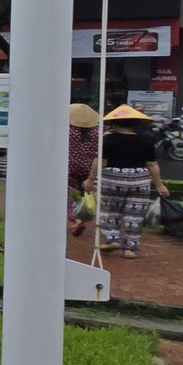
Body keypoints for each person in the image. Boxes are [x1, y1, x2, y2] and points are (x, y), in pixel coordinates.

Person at [94, 103, 168, 259]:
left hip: (113, 179)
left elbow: (101, 162)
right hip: (139, 180)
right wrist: (160, 185)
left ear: (114, 122)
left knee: (110, 210)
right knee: (135, 215)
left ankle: (112, 238)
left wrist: (90, 179)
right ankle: (130, 249)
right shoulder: (146, 140)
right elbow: (152, 164)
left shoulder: (107, 140)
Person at [66, 103, 101, 236]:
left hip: (70, 166)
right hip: (89, 167)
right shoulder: (97, 133)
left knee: (69, 193)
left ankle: (74, 218)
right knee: (84, 194)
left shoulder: (69, 131)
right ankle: (81, 218)